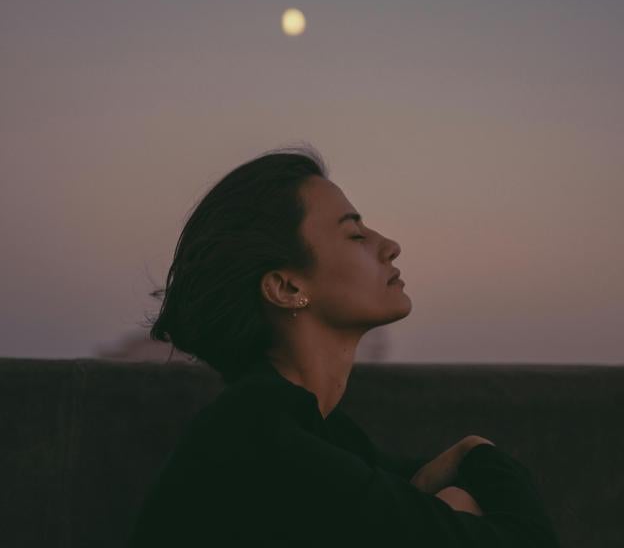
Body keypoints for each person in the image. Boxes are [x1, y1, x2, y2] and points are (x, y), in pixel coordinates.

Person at [128, 143, 560, 547]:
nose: (390, 247)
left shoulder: (319, 432)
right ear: (286, 286)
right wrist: (476, 451)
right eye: (355, 236)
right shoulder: (260, 441)